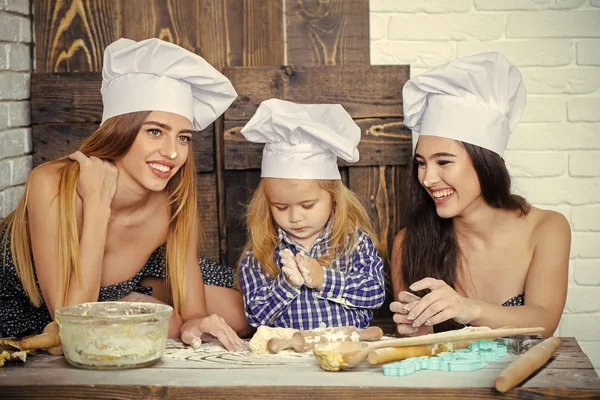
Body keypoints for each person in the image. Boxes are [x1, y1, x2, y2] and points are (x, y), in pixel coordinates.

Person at [0, 38, 249, 351]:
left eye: (183, 138)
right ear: (120, 130)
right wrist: (97, 205)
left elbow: (194, 310)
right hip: (33, 304)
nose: (172, 152)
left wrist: (195, 321)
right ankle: (132, 300)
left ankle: (136, 295)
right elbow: (73, 319)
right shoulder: (50, 182)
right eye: (154, 131)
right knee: (112, 327)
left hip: (128, 279)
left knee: (241, 314)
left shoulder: (173, 197)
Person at [390, 52, 570, 338]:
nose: (427, 178)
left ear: (485, 161)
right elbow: (418, 348)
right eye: (421, 163)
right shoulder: (408, 243)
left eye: (444, 162)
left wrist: (469, 309)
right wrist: (417, 331)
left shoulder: (547, 228)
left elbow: (544, 322)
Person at [237, 99, 386, 330]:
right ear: (266, 204)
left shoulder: (353, 242)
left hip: (347, 349)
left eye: (307, 206)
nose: (295, 217)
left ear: (333, 197)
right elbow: (256, 316)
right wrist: (287, 284)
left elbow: (374, 293)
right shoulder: (259, 254)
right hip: (289, 358)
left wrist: (324, 279)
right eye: (281, 207)